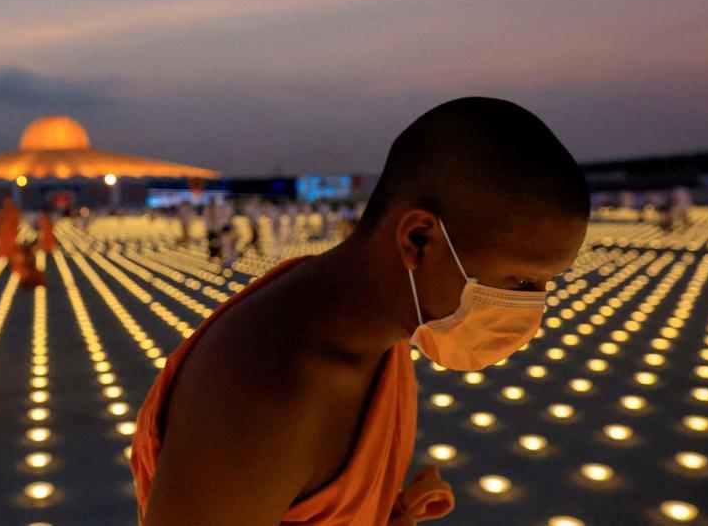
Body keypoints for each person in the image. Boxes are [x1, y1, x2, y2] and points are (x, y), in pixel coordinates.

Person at [131, 98, 590, 526]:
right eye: (523, 283)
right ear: (418, 240)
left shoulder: (384, 335)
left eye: (546, 285)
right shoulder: (263, 393)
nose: (533, 309)